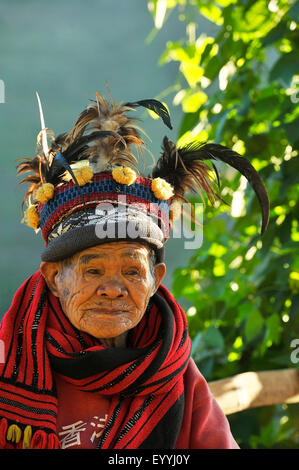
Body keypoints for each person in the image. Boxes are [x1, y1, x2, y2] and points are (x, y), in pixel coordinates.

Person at [0, 90, 269, 449]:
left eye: (132, 272)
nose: (113, 288)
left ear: (156, 281)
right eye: (92, 271)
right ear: (53, 278)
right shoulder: (8, 361)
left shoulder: (174, 369)